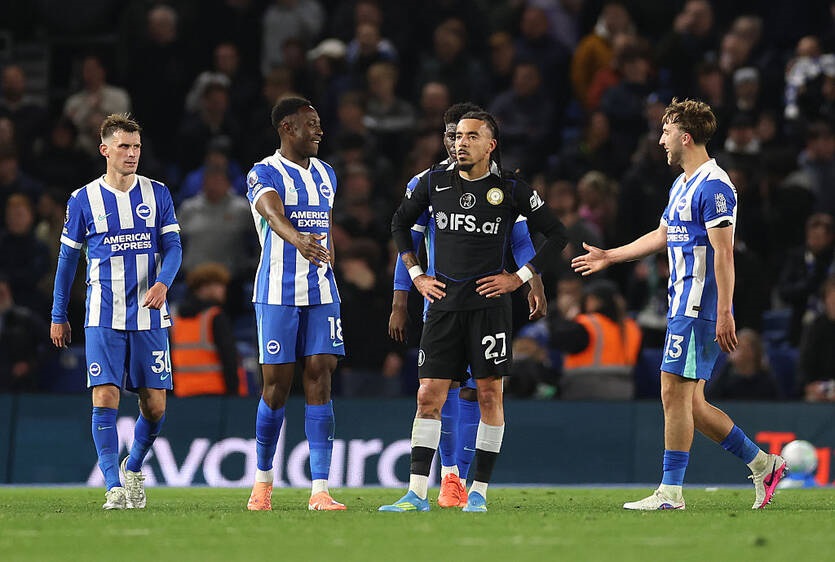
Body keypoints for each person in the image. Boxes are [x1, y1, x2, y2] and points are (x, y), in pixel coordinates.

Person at [572, 98, 787, 510]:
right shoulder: (682, 184)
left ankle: (670, 492)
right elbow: (662, 235)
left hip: (699, 307)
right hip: (681, 304)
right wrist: (610, 256)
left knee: (673, 394)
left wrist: (725, 311)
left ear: (685, 137)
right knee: (692, 404)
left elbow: (724, 253)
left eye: (666, 132)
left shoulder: (715, 186)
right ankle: (764, 464)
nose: (661, 140)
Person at [383, 110, 567, 513]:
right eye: (456, 136)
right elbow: (400, 225)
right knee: (429, 394)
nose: (459, 143)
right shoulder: (431, 182)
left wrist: (522, 279)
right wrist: (413, 279)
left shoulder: (510, 188)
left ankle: (476, 490)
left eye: (469, 136)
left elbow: (551, 235)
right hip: (442, 306)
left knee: (486, 394)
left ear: (490, 145)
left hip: (488, 309)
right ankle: (420, 491)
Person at [50, 113, 182, 510]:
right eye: (124, 146)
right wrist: (58, 314)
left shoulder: (157, 194)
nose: (132, 153)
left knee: (155, 407)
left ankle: (133, 467)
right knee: (105, 396)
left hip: (149, 315)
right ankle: (113, 486)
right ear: (104, 150)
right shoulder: (83, 199)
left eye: (136, 146)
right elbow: (67, 262)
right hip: (103, 315)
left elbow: (174, 248)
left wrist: (163, 283)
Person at [244, 97, 345, 512]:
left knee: (321, 374)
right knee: (276, 387)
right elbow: (272, 214)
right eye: (311, 124)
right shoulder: (263, 171)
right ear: (287, 128)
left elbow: (326, 224)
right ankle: (263, 480)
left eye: (319, 123)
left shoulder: (327, 173)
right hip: (277, 293)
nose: (319, 130)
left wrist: (327, 255)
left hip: (321, 292)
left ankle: (320, 489)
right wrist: (297, 239)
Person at [170, 262, 247, 397]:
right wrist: (234, 395)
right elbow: (229, 359)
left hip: (183, 394)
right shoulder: (215, 316)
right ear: (204, 288)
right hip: (216, 393)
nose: (223, 290)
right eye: (219, 285)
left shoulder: (175, 317)